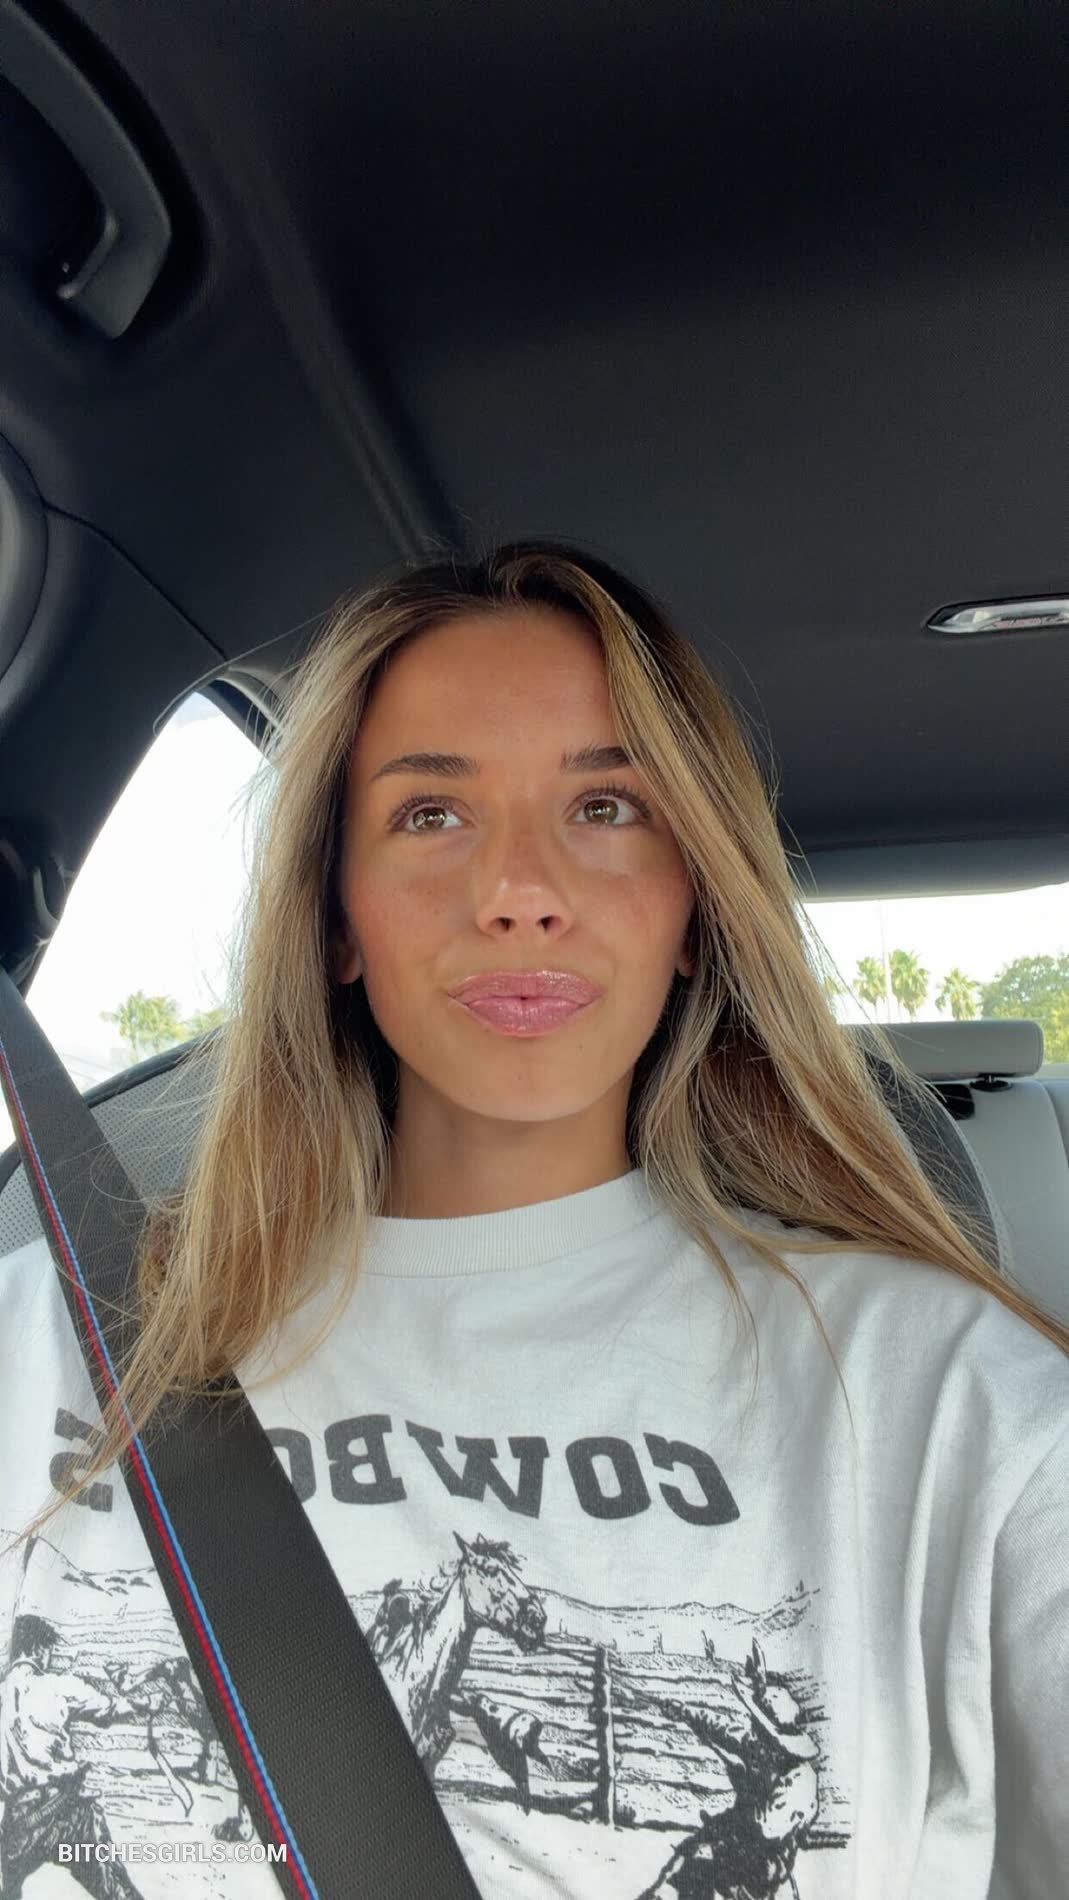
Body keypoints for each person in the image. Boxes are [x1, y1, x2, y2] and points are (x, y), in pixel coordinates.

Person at [1, 538, 1066, 1900]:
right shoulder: (61, 1334)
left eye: (607, 807)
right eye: (431, 815)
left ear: (695, 907)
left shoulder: (950, 1397)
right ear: (336, 917)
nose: (519, 891)